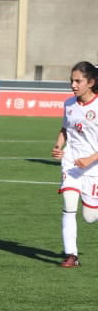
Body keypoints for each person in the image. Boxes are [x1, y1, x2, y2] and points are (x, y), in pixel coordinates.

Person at [51, 61, 98, 268]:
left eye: (78, 81)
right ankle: (71, 255)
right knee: (69, 204)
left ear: (91, 82)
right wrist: (58, 146)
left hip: (94, 167)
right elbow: (65, 129)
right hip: (71, 164)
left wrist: (90, 159)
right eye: (72, 80)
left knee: (90, 216)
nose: (73, 85)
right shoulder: (69, 104)